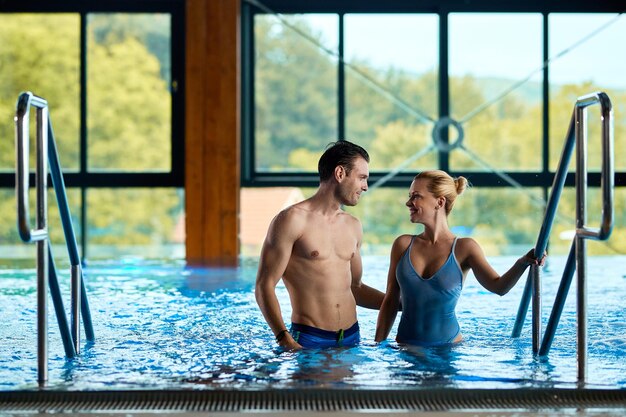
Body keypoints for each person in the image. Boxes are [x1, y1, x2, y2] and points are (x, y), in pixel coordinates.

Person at [375, 170, 545, 347]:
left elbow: (499, 287)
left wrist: (523, 262)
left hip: (448, 349)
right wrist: (378, 346)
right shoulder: (402, 245)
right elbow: (391, 300)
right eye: (410, 196)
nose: (408, 202)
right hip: (406, 348)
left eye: (416, 196)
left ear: (439, 202)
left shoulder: (464, 248)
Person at [255, 140, 385, 350]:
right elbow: (264, 285)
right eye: (362, 178)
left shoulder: (353, 225)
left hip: (352, 338)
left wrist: (401, 304)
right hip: (309, 339)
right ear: (340, 173)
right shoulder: (291, 220)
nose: (365, 186)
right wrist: (284, 338)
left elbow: (356, 288)